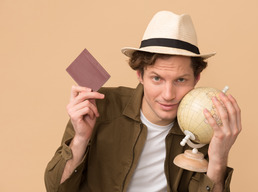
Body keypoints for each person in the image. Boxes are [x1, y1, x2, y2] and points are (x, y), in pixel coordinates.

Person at [45, 11, 241, 192]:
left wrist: (218, 158)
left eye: (181, 80)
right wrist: (80, 139)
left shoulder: (205, 126)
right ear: (140, 75)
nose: (168, 94)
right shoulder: (98, 107)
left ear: (196, 79)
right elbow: (55, 189)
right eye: (157, 78)